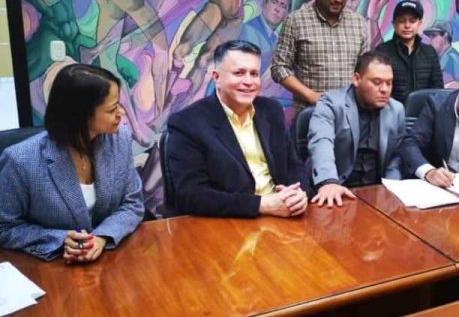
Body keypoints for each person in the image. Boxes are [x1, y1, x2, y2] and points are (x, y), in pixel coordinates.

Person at [0, 64, 144, 262]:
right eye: (112, 109)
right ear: (81, 115)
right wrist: (59, 239)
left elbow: (133, 203)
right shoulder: (21, 160)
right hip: (50, 265)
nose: (122, 113)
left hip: (110, 259)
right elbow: (4, 227)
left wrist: (102, 237)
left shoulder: (119, 139)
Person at [167, 41, 309, 218]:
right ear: (216, 77)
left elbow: (294, 165)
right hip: (230, 221)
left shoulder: (271, 110)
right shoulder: (187, 123)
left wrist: (299, 193)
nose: (248, 82)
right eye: (239, 73)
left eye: (254, 74)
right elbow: (191, 195)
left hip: (283, 215)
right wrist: (261, 205)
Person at [271, 0, 369, 113]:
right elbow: (279, 68)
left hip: (349, 115)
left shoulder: (359, 24)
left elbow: (364, 69)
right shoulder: (296, 21)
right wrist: (311, 95)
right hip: (309, 113)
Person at [308, 52, 405, 207]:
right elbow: (321, 141)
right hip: (337, 188)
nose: (384, 89)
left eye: (389, 83)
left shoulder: (396, 109)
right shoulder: (331, 103)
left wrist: (391, 187)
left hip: (377, 193)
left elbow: (397, 155)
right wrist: (329, 181)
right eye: (377, 82)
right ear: (356, 79)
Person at [375, 0, 443, 104]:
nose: (407, 25)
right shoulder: (382, 51)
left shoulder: (430, 52)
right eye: (402, 21)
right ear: (394, 24)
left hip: (423, 112)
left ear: (419, 23)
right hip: (390, 111)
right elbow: (377, 88)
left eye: (412, 21)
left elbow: (437, 91)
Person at [239, 0, 291, 73]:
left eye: (283, 6)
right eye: (274, 2)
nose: (277, 9)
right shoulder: (248, 30)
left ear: (286, 14)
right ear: (264, 4)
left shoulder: (277, 38)